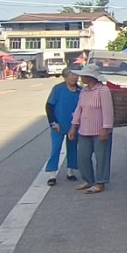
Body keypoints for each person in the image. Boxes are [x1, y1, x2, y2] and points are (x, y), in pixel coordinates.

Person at [68, 63, 114, 194]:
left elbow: (107, 111)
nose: (81, 78)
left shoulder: (103, 91)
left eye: (84, 75)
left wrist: (106, 128)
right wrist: (73, 126)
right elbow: (79, 109)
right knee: (83, 156)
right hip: (84, 130)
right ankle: (88, 180)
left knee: (101, 157)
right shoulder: (84, 91)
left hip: (100, 130)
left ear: (91, 77)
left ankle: (100, 182)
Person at [44, 68, 82, 185]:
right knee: (56, 148)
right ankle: (52, 174)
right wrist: (53, 123)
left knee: (73, 148)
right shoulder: (58, 89)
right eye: (71, 75)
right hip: (59, 125)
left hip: (74, 125)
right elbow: (49, 106)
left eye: (76, 75)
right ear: (65, 77)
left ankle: (70, 171)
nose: (74, 77)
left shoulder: (80, 90)